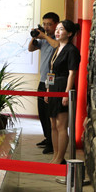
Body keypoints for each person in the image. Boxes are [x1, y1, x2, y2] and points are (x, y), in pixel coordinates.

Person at [45, 20, 81, 165]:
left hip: (64, 86)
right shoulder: (57, 48)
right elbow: (51, 71)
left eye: (61, 29)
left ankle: (60, 158)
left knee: (61, 125)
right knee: (53, 124)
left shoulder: (71, 50)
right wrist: (48, 89)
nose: (57, 31)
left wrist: (67, 93)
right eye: (57, 29)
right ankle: (55, 156)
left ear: (70, 33)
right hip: (54, 87)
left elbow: (72, 74)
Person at [28, 12, 59, 154]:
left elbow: (56, 46)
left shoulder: (57, 38)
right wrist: (34, 36)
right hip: (42, 81)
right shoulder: (43, 39)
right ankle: (47, 138)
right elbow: (30, 48)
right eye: (44, 24)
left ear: (56, 25)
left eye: (49, 24)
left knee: (49, 114)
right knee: (42, 113)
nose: (46, 27)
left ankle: (52, 143)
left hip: (52, 83)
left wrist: (45, 36)